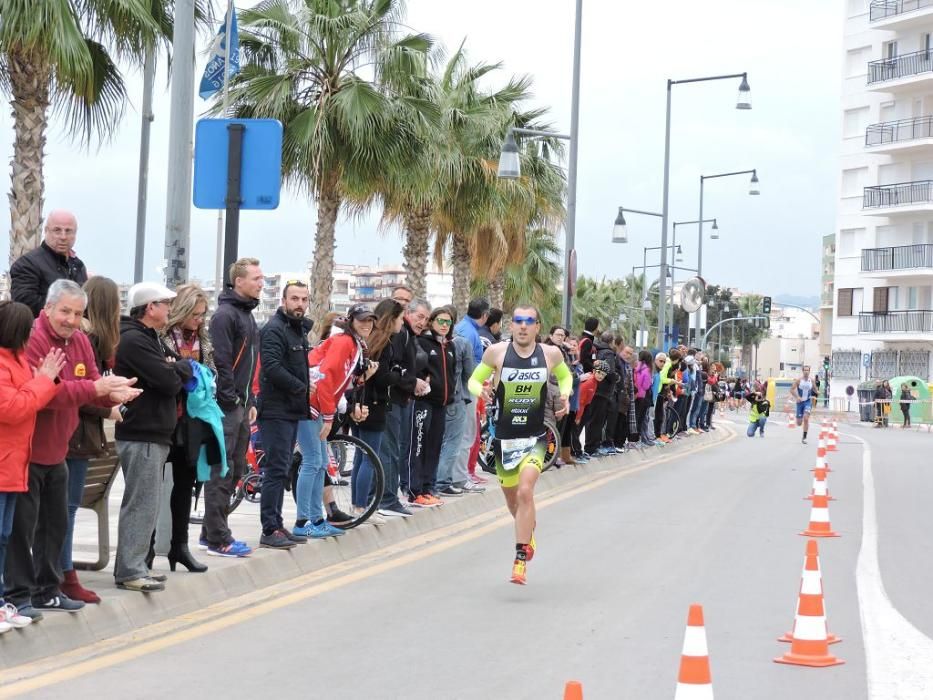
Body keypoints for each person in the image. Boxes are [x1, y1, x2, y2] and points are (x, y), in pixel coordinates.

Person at [6, 280, 138, 617]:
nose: (71, 319)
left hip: (58, 450)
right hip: (29, 451)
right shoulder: (32, 339)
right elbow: (48, 394)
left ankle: (47, 591)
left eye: (78, 313)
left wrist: (114, 393)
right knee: (21, 530)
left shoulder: (79, 340)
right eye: (65, 311)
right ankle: (19, 596)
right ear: (47, 308)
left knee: (56, 524)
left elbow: (91, 385)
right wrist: (94, 387)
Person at [469, 304, 573, 585]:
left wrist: (565, 395)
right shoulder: (497, 353)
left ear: (538, 326)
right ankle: (528, 532)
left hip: (535, 437)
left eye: (530, 321)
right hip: (505, 439)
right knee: (514, 502)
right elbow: (473, 381)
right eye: (518, 321)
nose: (524, 326)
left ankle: (519, 560)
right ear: (511, 325)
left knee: (526, 491)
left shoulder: (550, 353)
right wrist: (484, 391)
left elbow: (566, 376)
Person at [113, 282, 195, 592]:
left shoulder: (151, 339)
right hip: (142, 432)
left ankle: (136, 565)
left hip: (154, 432)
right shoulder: (135, 340)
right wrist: (176, 370)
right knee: (141, 502)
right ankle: (131, 569)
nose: (170, 310)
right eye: (165, 304)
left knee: (147, 501)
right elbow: (168, 380)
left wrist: (178, 367)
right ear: (150, 308)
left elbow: (181, 365)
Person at [0, 301, 65, 632]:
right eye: (27, 329)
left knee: (5, 534)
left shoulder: (17, 360)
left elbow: (33, 397)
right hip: (5, 463)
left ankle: (1, 604)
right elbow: (14, 407)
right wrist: (42, 380)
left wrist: (43, 380)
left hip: (13, 464)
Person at [62, 277, 123, 603]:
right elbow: (80, 391)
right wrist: (107, 409)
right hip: (76, 435)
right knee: (66, 509)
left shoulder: (90, 341)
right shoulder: (89, 339)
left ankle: (63, 573)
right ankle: (63, 574)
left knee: (66, 508)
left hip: (79, 436)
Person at [299, 304, 378, 536]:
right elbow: (326, 378)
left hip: (316, 404)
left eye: (370, 321)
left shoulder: (354, 344)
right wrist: (328, 416)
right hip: (311, 405)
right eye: (362, 320)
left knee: (320, 463)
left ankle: (316, 518)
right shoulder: (344, 342)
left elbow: (342, 381)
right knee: (313, 463)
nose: (366, 324)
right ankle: (304, 522)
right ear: (351, 321)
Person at [203, 258, 262, 557]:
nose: (260, 282)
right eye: (255, 278)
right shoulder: (226, 315)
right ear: (238, 281)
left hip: (240, 405)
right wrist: (231, 400)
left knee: (236, 468)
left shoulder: (247, 315)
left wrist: (250, 401)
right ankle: (217, 538)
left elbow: (250, 365)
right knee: (221, 470)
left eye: (262, 278)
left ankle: (211, 531)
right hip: (227, 406)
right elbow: (222, 362)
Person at [160, 284, 214, 573]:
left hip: (192, 421)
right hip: (165, 418)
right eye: (194, 314)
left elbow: (213, 370)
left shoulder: (203, 341)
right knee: (151, 487)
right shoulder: (161, 336)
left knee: (186, 485)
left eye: (202, 314)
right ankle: (146, 547)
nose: (199, 320)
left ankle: (179, 547)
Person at [257, 281, 313, 548]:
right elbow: (271, 366)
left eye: (304, 299)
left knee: (281, 468)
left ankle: (277, 525)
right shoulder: (274, 329)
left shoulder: (297, 331)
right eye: (294, 299)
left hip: (291, 410)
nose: (299, 304)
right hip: (275, 410)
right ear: (284, 300)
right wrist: (301, 387)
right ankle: (269, 529)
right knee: (276, 469)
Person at [346, 300, 405, 523]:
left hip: (359, 404)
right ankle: (361, 506)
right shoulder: (384, 343)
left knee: (362, 457)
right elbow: (381, 378)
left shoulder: (367, 341)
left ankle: (356, 505)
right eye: (400, 319)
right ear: (392, 319)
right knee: (369, 458)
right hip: (374, 405)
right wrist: (398, 374)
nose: (402, 323)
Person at [376, 299, 430, 518]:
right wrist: (411, 383)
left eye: (426, 319)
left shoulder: (407, 334)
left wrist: (412, 383)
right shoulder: (401, 334)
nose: (423, 322)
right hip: (390, 401)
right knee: (388, 451)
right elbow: (392, 370)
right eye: (419, 317)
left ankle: (378, 498)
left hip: (398, 399)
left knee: (389, 450)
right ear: (406, 313)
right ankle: (387, 499)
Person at [409, 306, 456, 505]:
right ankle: (415, 490)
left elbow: (452, 374)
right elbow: (415, 370)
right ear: (432, 322)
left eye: (448, 322)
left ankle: (429, 486)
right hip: (423, 403)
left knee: (435, 447)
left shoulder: (450, 346)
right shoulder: (422, 343)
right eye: (440, 321)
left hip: (442, 404)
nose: (444, 325)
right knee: (419, 446)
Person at [10, 210, 88, 317]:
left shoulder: (78, 265)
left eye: (68, 231)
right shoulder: (27, 264)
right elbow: (25, 303)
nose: (63, 236)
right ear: (46, 231)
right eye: (57, 230)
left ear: (75, 234)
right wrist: (66, 313)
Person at [437, 306, 481, 495]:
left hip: (438, 398)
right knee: (458, 440)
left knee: (441, 440)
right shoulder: (463, 342)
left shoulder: (433, 342)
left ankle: (442, 479)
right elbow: (470, 374)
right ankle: (448, 480)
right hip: (458, 397)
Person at [634, 350, 655, 447]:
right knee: (641, 419)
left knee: (636, 418)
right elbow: (646, 385)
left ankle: (635, 439)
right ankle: (639, 439)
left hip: (635, 395)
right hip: (643, 396)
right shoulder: (646, 370)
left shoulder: (637, 368)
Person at [790, 366, 815, 444]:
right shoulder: (798, 380)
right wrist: (797, 397)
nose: (806, 372)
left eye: (807, 370)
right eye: (805, 370)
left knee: (806, 418)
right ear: (803, 371)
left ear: (809, 371)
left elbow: (815, 389)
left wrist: (816, 392)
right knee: (799, 423)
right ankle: (798, 418)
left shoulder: (812, 380)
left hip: (808, 402)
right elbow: (791, 390)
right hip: (799, 403)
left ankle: (804, 437)